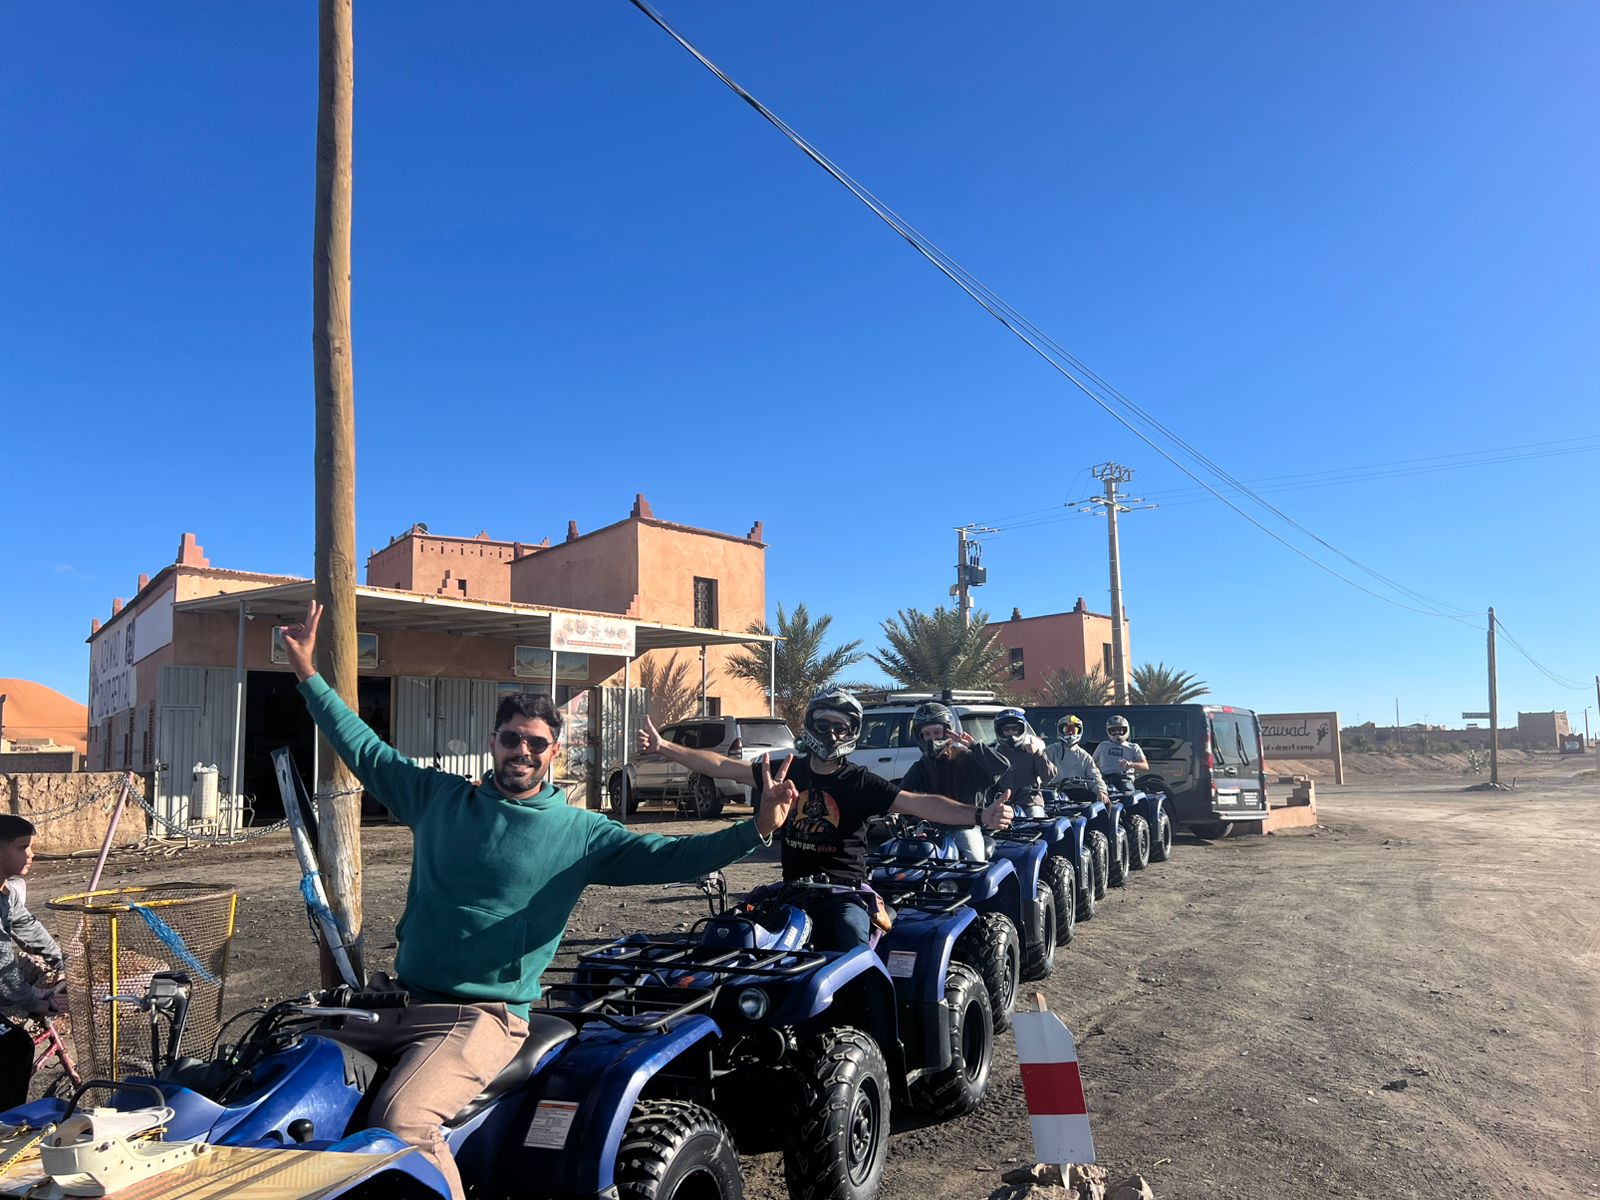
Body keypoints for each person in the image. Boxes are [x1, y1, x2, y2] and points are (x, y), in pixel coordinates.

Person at [280, 601, 795, 1200]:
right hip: (401, 999)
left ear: (554, 752)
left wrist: (757, 828)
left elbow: (671, 857)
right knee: (276, 1075)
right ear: (493, 743)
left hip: (484, 1018)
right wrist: (306, 671)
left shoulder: (579, 833)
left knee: (404, 1124)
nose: (521, 751)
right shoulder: (437, 799)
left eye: (535, 742)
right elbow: (364, 748)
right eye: (511, 739)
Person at [638, 690, 1013, 950]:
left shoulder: (860, 782)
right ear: (810, 725)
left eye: (841, 726)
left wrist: (980, 815)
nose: (832, 733)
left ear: (852, 732)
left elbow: (920, 804)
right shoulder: (786, 770)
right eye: (823, 724)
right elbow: (722, 765)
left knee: (850, 945)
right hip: (791, 890)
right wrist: (664, 746)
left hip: (843, 895)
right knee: (728, 936)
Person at [0, 815, 65, 1111]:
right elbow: (2, 966)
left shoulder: (7, 893)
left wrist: (65, 963)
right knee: (16, 1046)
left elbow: (28, 928)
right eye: (22, 847)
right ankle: (6, 1128)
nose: (31, 854)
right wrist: (34, 1002)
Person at [899, 702, 1012, 860]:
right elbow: (902, 794)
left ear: (948, 732)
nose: (932, 738)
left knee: (974, 865)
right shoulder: (921, 766)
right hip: (930, 828)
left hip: (965, 827)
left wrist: (973, 746)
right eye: (927, 734)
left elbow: (1001, 766)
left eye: (937, 732)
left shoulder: (966, 758)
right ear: (920, 737)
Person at [990, 707, 1055, 817]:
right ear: (999, 731)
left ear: (1021, 729)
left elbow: (1048, 776)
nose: (1011, 733)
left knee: (1036, 821)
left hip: (1030, 802)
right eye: (1006, 729)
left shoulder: (1031, 750)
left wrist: (1038, 754)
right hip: (1003, 804)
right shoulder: (994, 753)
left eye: (1015, 729)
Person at [1046, 715, 1109, 801]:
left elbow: (1095, 776)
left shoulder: (1085, 756)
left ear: (1079, 731)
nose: (1070, 733)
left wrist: (1101, 791)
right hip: (1055, 792)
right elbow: (1039, 770)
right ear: (1061, 731)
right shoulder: (1050, 751)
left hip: (1077, 792)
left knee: (1099, 804)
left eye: (1073, 730)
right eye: (1067, 730)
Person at [1092, 713, 1149, 794]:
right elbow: (1091, 763)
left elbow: (1145, 766)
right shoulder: (1102, 745)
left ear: (1126, 729)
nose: (1117, 733)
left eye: (1120, 729)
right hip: (1105, 779)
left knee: (1128, 796)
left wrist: (1131, 764)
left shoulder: (1133, 747)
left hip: (1125, 779)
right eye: (1113, 730)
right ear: (1108, 731)